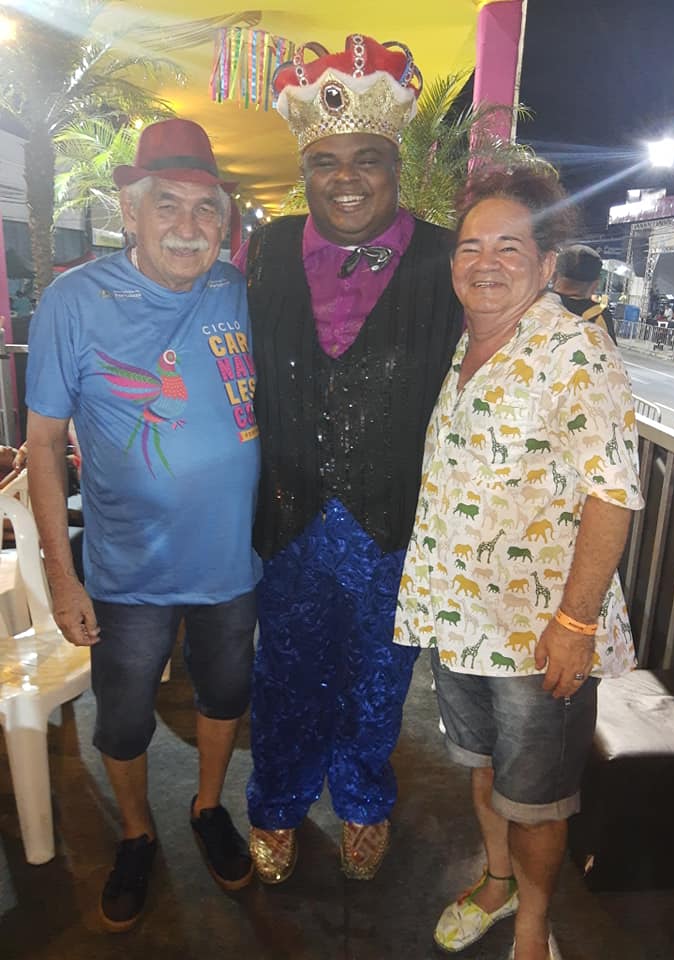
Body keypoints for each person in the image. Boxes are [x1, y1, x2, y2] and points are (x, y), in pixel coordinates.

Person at [394, 166, 644, 960]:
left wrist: (575, 623)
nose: (486, 262)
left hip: (541, 635)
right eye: (471, 247)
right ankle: (496, 881)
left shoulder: (574, 349)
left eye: (510, 246)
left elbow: (613, 493)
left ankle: (534, 925)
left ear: (546, 264)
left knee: (538, 798)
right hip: (464, 619)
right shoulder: (467, 344)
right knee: (484, 769)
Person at [25, 118, 261, 931]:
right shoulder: (73, 301)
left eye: (206, 208)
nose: (189, 226)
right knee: (123, 717)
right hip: (128, 570)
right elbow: (43, 444)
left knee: (226, 694)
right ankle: (134, 833)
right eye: (169, 205)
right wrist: (62, 577)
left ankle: (207, 807)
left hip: (231, 563)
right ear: (130, 211)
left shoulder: (236, 289)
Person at [238, 34, 463, 883]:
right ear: (305, 170)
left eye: (366, 158)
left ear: (395, 166)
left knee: (379, 677)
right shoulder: (265, 251)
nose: (346, 177)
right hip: (287, 514)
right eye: (326, 161)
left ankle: (365, 800)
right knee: (284, 673)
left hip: (392, 517)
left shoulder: (447, 258)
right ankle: (277, 803)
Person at [552, 243, 617, 343]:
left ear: (554, 276)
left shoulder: (535, 304)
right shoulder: (599, 316)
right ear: (595, 285)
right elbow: (610, 351)